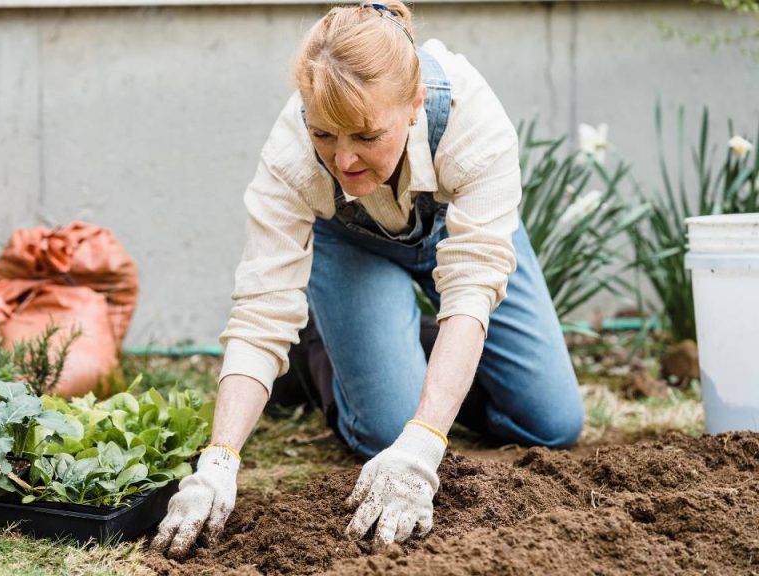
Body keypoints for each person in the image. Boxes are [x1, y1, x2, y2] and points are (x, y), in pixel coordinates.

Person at [152, 0, 583, 559]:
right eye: (325, 134)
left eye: (365, 134)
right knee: (385, 433)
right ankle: (319, 354)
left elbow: (473, 287)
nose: (344, 160)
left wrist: (426, 442)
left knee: (552, 423)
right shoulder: (290, 158)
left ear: (413, 103)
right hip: (350, 246)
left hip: (460, 234)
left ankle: (397, 345)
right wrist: (219, 461)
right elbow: (261, 312)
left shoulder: (472, 121)